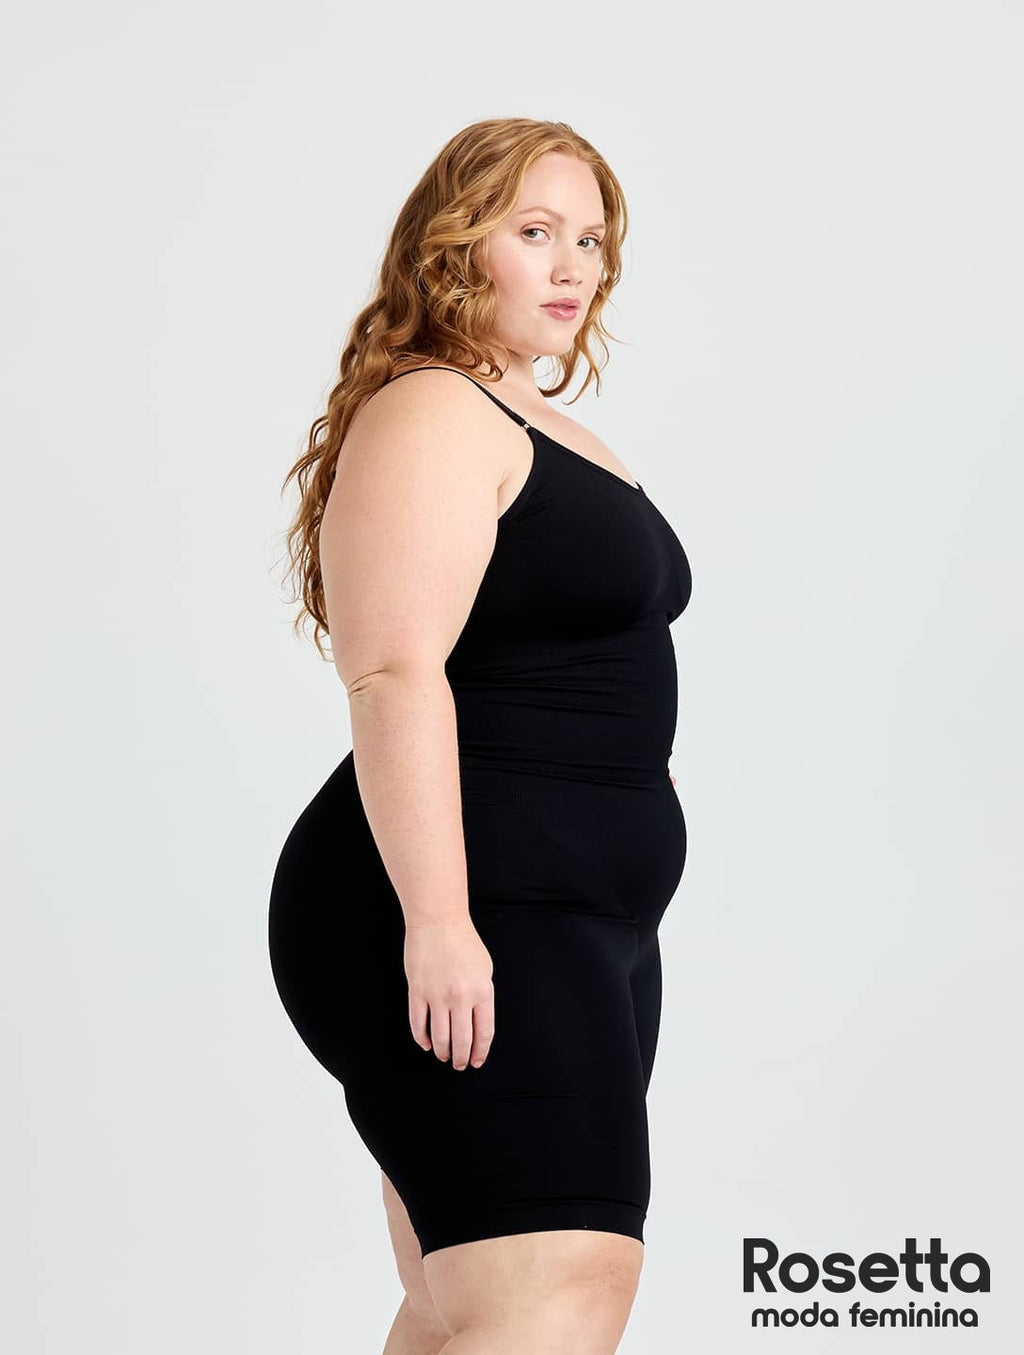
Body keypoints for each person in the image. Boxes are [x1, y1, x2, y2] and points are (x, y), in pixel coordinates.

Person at [268, 117, 693, 1355]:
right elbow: (392, 671)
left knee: (475, 1303)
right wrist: (440, 921)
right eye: (534, 231)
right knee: (554, 1289)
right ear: (454, 247)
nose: (572, 266)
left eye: (591, 240)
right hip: (468, 905)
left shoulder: (533, 420)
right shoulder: (433, 411)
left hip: (576, 920)